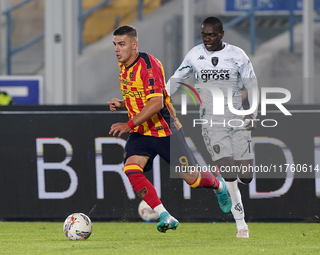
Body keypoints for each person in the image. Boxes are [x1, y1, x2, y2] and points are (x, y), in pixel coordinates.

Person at [108, 25, 232, 233]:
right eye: (115, 45)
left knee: (192, 180)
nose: (117, 49)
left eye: (121, 44)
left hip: (165, 131)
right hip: (142, 133)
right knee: (131, 168)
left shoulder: (149, 65)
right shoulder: (124, 66)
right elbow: (140, 96)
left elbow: (156, 103)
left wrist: (128, 124)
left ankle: (220, 185)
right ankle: (165, 215)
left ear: (134, 45)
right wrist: (123, 104)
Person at [167, 17, 259, 238]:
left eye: (212, 35)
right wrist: (158, 97)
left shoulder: (237, 55)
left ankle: (230, 189)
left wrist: (252, 112)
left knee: (246, 176)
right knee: (228, 173)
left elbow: (252, 85)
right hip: (212, 123)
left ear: (222, 34)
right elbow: (176, 80)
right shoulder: (194, 55)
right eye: (204, 35)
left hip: (237, 121)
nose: (207, 39)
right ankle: (241, 225)